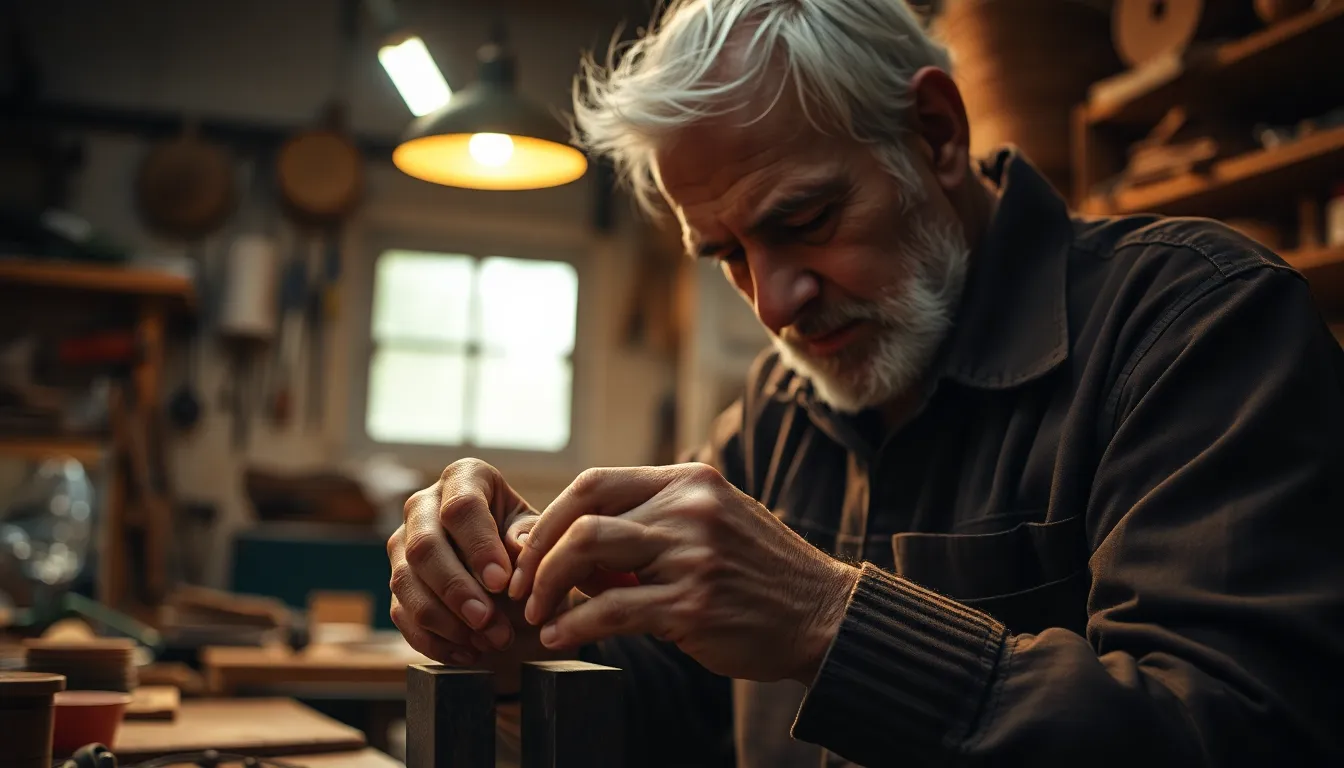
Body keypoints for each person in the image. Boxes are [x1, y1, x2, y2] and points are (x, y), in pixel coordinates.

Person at [386, 0, 1344, 765]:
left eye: (804, 220)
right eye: (726, 253)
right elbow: (677, 716)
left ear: (934, 133)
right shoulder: (775, 412)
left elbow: (1238, 732)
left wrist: (823, 617)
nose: (772, 302)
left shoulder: (1193, 326)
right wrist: (520, 642)